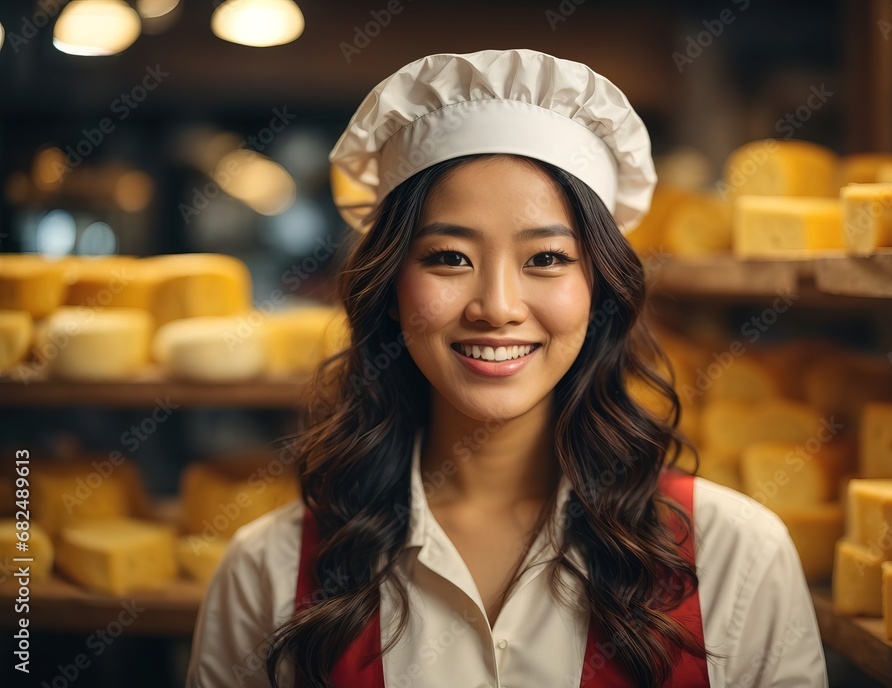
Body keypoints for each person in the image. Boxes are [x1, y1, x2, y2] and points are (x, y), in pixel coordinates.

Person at [186, 48, 828, 688]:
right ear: (391, 287)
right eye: (449, 257)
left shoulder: (737, 556)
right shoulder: (265, 572)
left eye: (546, 258)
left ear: (599, 288)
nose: (497, 307)